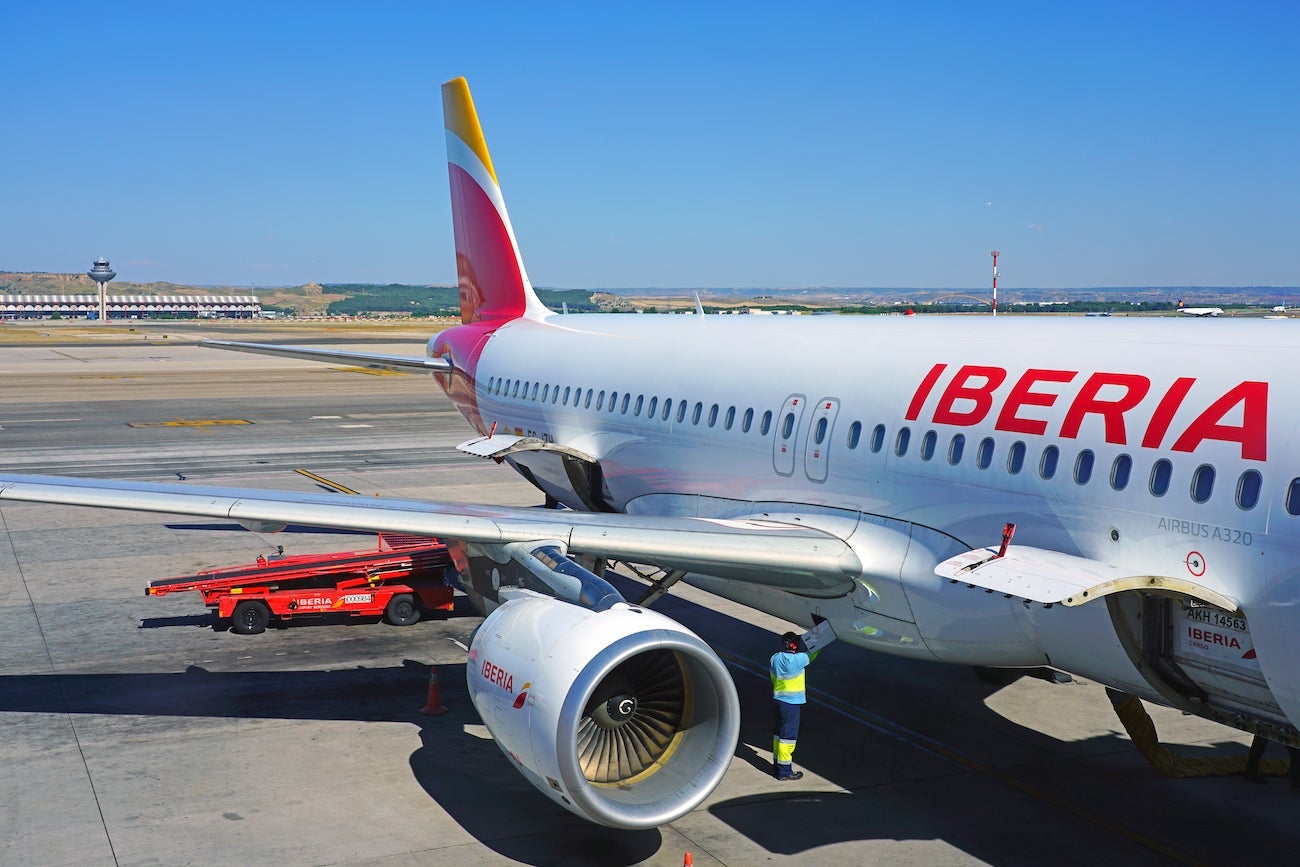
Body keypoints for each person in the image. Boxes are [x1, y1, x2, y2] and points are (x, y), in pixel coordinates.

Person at [770, 630, 819, 781]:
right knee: (788, 738)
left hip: (778, 700)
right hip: (791, 704)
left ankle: (777, 764)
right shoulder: (798, 660)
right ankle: (785, 771)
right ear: (794, 645)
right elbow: (815, 652)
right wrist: (819, 637)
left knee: (778, 735)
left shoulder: (775, 658)